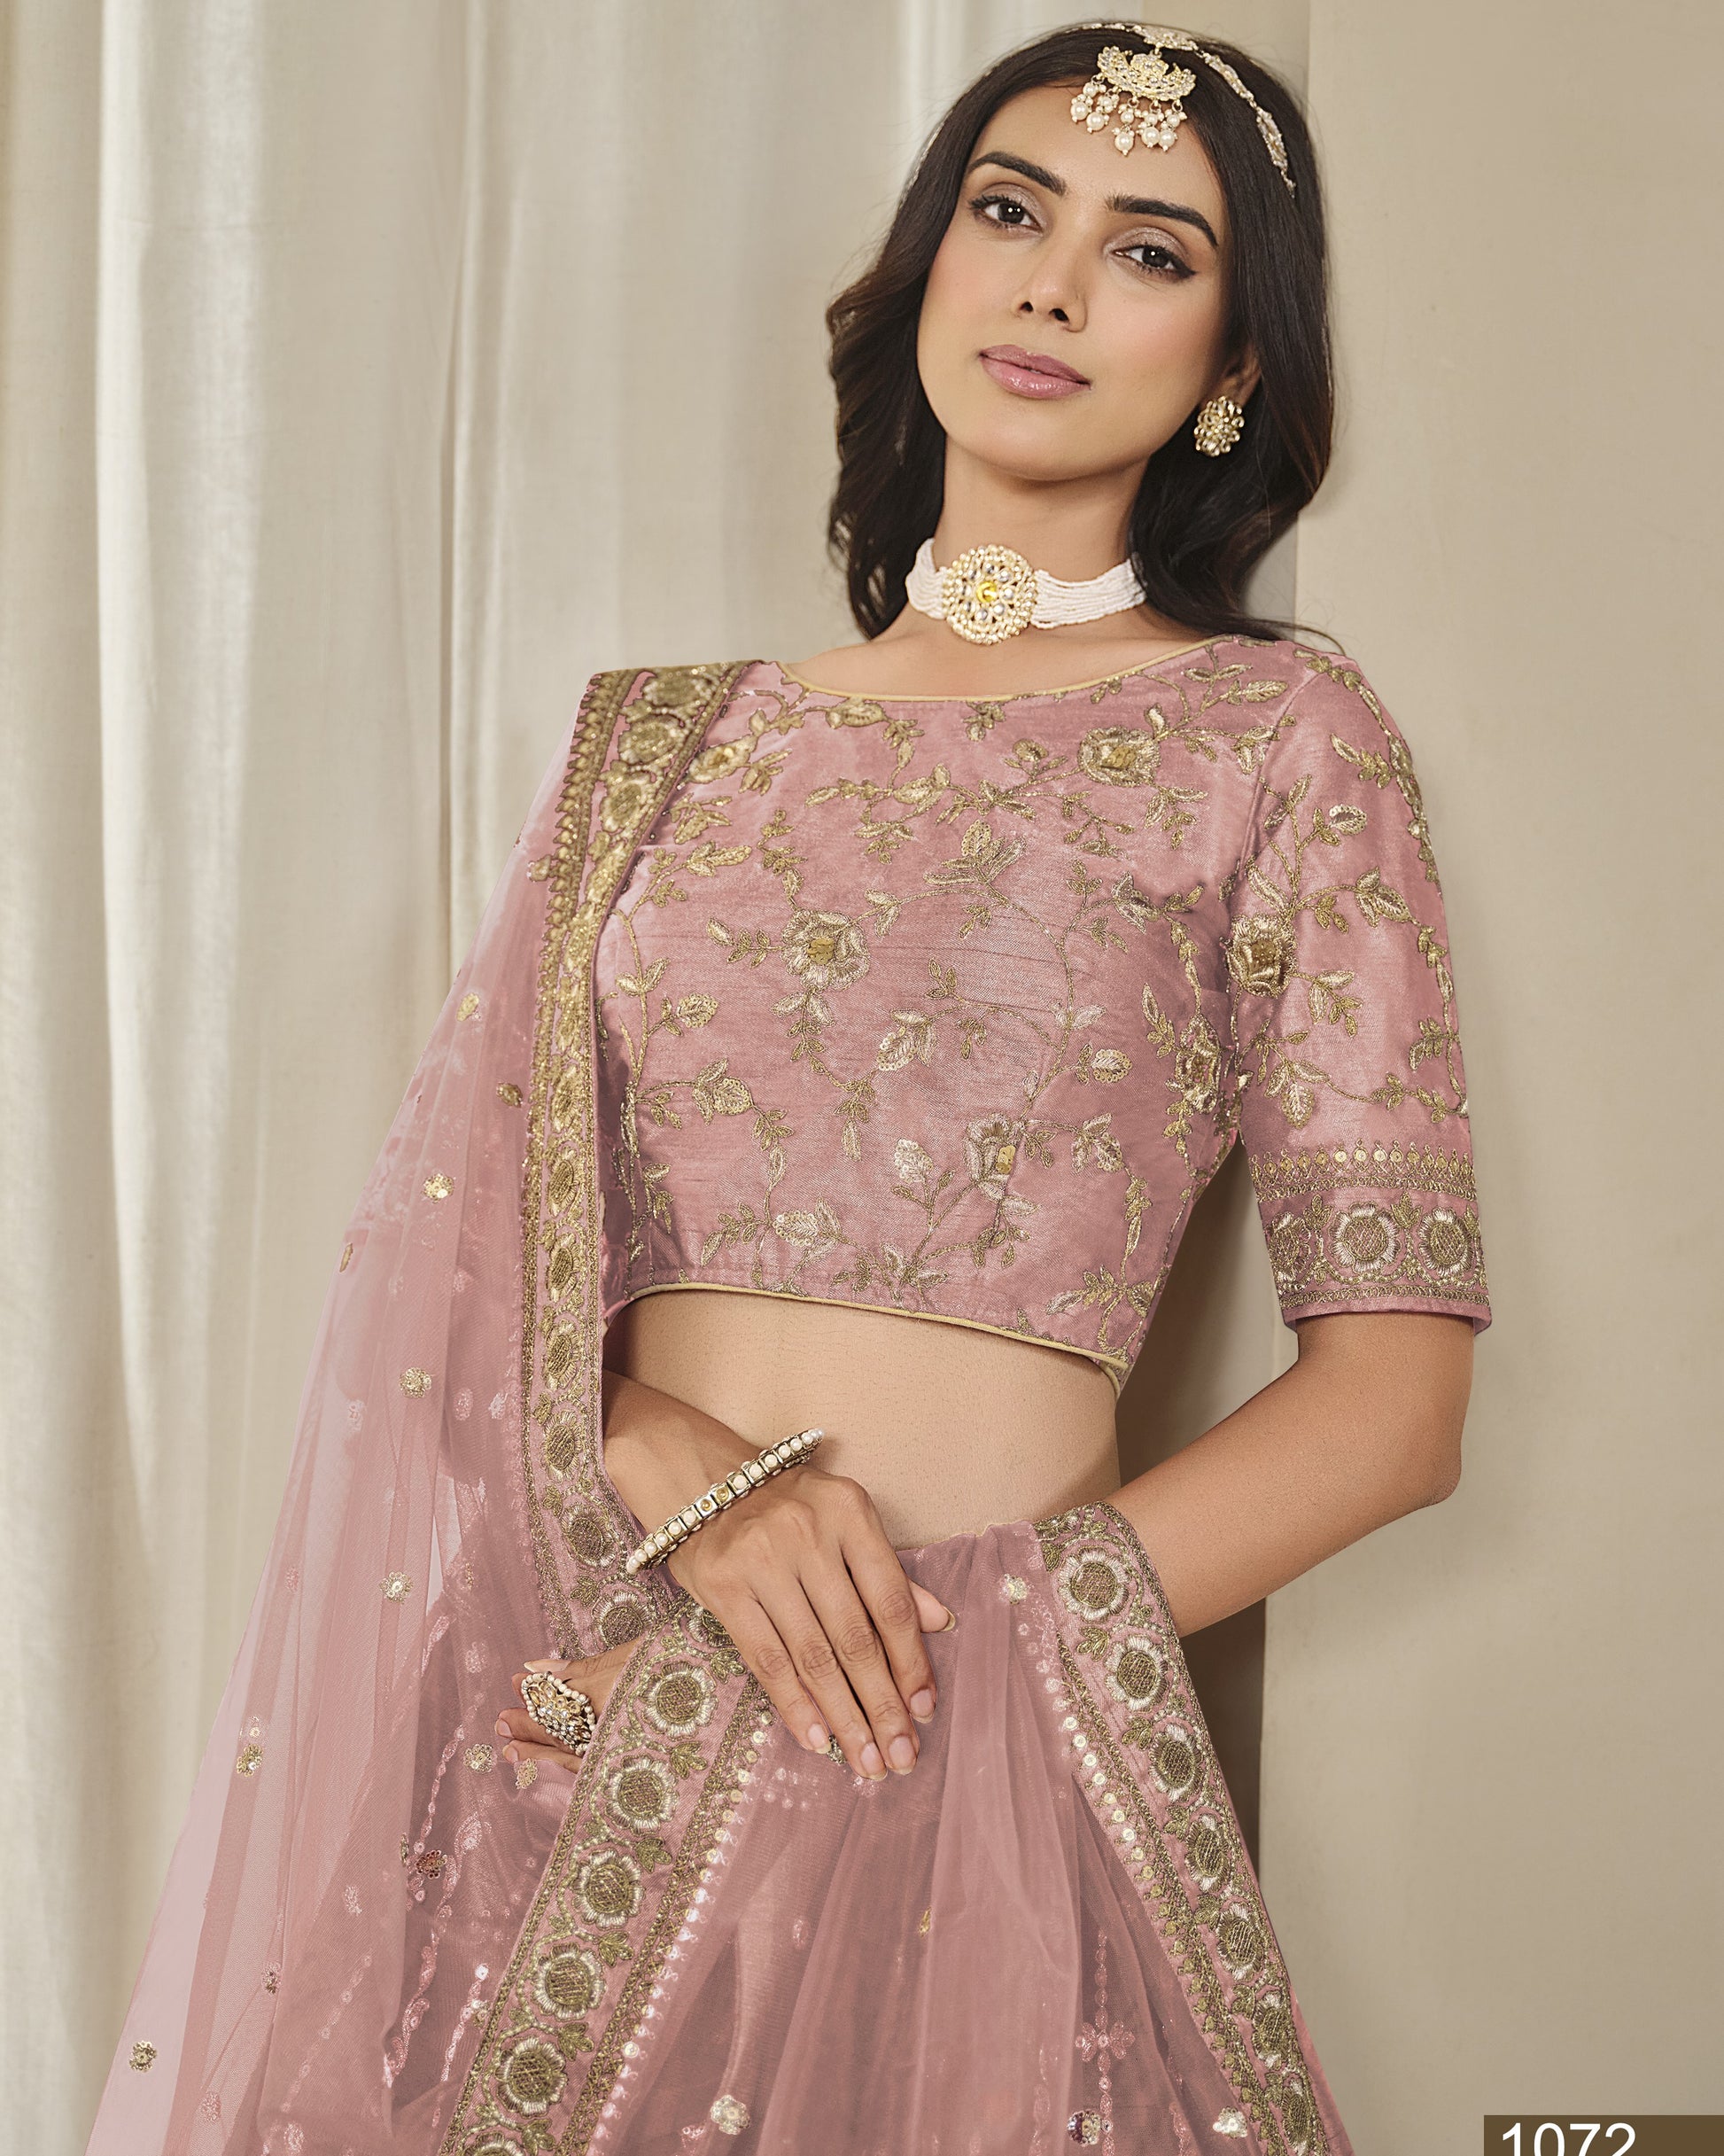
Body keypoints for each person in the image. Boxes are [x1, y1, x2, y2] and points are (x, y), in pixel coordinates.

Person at [89, 22, 1490, 2156]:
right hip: (575, 1716)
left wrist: (967, 1642)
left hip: (948, 1765)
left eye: (1147, 250)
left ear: (1231, 367)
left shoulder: (1280, 743)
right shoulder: (657, 744)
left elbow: (1395, 1401)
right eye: (1008, 212)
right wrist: (673, 1454)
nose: (1049, 284)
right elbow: (450, 1290)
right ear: (927, 265)